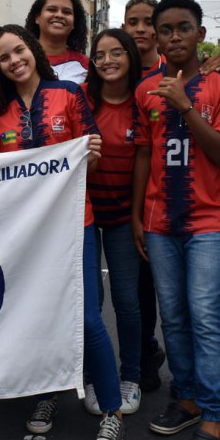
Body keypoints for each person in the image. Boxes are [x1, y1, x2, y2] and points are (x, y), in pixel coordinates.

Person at [0, 24, 124, 440]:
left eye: (19, 50)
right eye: (5, 56)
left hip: (74, 223)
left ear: (33, 51)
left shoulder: (68, 94)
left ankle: (112, 412)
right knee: (38, 316)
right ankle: (47, 396)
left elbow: (90, 161)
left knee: (86, 318)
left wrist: (93, 157)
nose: (14, 60)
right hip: (25, 234)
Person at [132, 0, 220, 440]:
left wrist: (185, 105)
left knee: (205, 316)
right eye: (166, 29)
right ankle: (190, 397)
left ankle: (215, 414)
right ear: (156, 37)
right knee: (173, 315)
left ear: (200, 33)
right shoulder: (143, 90)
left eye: (184, 27)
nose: (175, 36)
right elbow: (143, 154)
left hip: (210, 220)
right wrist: (138, 215)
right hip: (159, 221)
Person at [83, 29, 143, 416]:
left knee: (127, 301)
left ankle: (131, 376)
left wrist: (138, 217)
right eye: (100, 54)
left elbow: (145, 161)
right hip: (85, 214)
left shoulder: (143, 100)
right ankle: (93, 376)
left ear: (130, 56)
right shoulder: (82, 98)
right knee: (91, 304)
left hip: (124, 216)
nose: (107, 61)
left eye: (116, 53)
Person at [120, 0, 166, 392]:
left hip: (161, 200)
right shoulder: (113, 72)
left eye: (147, 21)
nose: (139, 29)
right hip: (110, 195)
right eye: (131, 21)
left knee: (148, 285)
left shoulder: (175, 74)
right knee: (128, 288)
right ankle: (142, 351)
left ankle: (148, 354)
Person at [24, 0, 90, 84]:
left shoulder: (86, 65)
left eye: (67, 12)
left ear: (74, 24)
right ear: (37, 18)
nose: (59, 15)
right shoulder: (20, 58)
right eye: (52, 9)